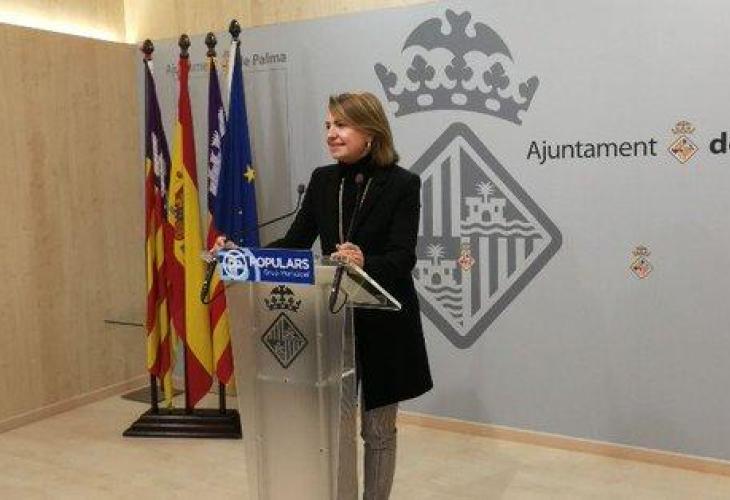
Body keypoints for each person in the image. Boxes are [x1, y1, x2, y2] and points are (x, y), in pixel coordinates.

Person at [268, 91, 433, 499]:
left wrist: (363, 260)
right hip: (334, 324)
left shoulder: (402, 184)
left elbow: (402, 258)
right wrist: (244, 255)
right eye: (328, 125)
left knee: (378, 431)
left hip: (385, 326)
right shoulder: (323, 181)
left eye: (341, 125)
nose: (331, 133)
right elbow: (294, 243)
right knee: (337, 431)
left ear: (370, 132)